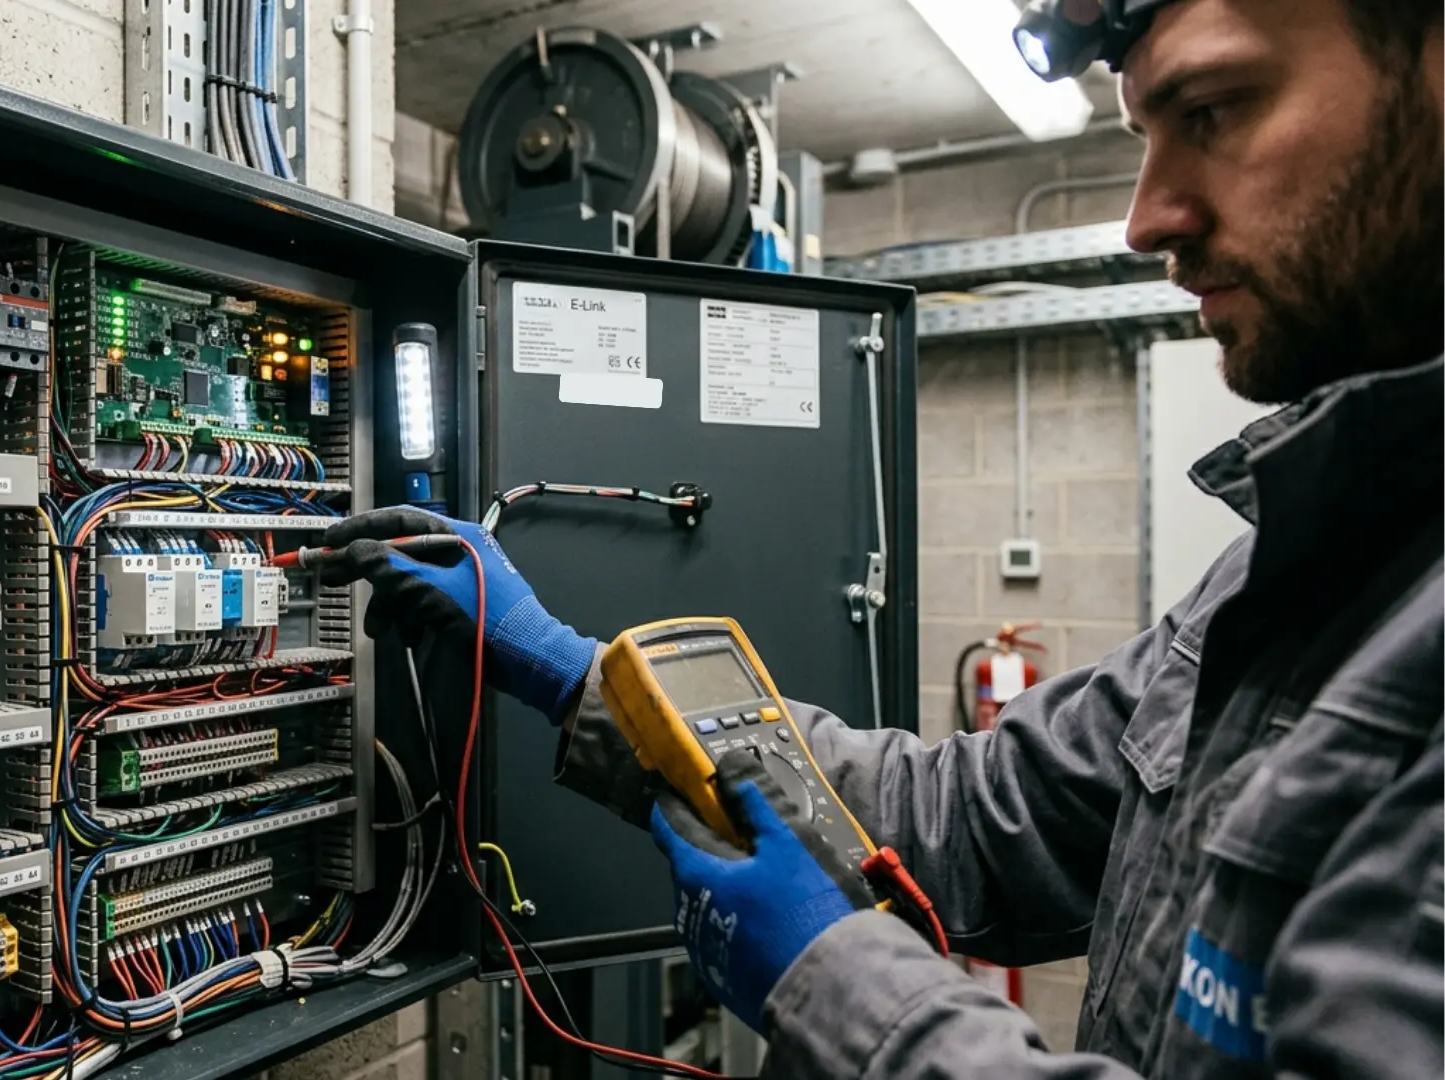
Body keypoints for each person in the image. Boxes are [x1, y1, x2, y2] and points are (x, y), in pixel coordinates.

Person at [321, 0, 1445, 1075]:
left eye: (1212, 109)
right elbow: (972, 815)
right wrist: (567, 669)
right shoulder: (1304, 574)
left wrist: (835, 976)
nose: (1147, 215)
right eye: (1148, 131)